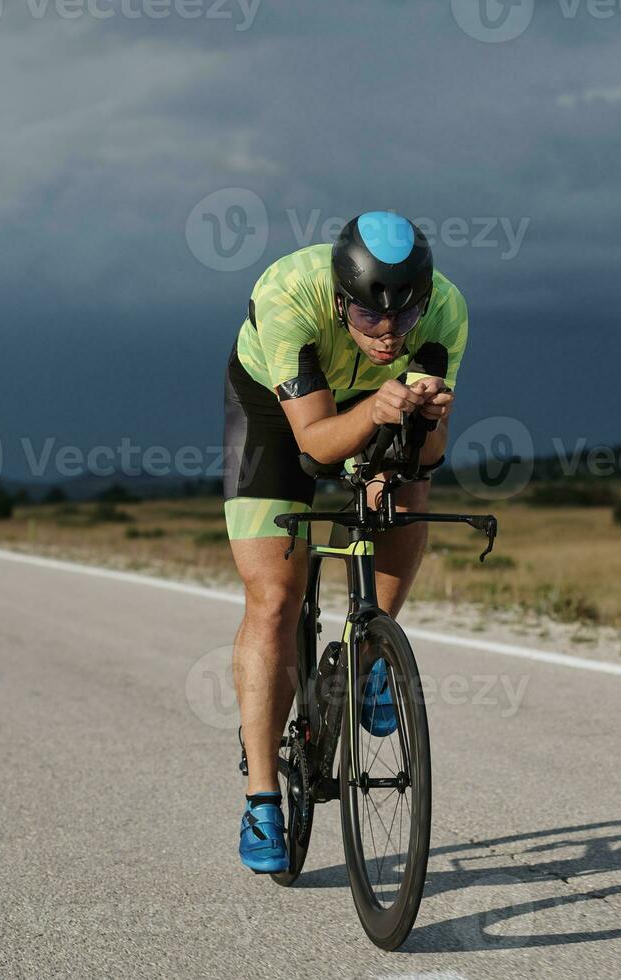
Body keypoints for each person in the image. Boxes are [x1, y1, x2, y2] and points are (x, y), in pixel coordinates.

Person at [221, 211, 469, 873]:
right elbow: (317, 444)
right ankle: (261, 798)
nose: (389, 336)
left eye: (403, 320)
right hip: (278, 416)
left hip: (379, 403)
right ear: (341, 302)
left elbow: (429, 460)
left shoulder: (445, 310)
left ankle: (373, 651)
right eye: (369, 321)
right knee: (273, 598)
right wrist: (378, 411)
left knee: (405, 493)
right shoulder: (288, 300)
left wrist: (429, 425)